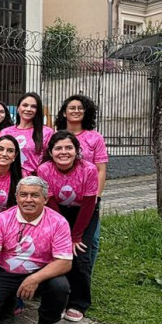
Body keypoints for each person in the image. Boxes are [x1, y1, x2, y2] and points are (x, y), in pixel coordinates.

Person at [0, 176, 73, 324]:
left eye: (35, 195)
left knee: (60, 286)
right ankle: (9, 304)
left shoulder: (58, 222)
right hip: (7, 270)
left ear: (45, 199)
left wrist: (34, 278)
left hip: (41, 271)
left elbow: (65, 262)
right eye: (23, 195)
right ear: (16, 197)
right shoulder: (2, 219)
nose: (28, 200)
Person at [37, 131, 99, 323]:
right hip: (57, 211)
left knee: (79, 255)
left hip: (84, 213)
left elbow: (90, 203)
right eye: (58, 148)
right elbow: (52, 201)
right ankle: (60, 294)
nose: (64, 152)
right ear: (51, 151)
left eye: (69, 148)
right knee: (57, 252)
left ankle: (79, 302)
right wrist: (64, 232)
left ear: (77, 150)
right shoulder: (44, 169)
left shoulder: (88, 169)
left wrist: (76, 236)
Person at [54, 94, 108, 269]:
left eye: (80, 108)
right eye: (72, 108)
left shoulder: (95, 138)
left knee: (90, 239)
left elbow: (100, 169)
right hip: (59, 199)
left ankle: (86, 277)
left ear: (86, 112)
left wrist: (97, 196)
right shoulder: (56, 137)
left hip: (88, 198)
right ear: (64, 113)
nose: (76, 111)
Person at [1, 93, 54, 174]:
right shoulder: (6, 132)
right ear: (18, 108)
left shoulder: (47, 132)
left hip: (35, 180)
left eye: (33, 106)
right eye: (25, 105)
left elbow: (50, 160)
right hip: (10, 178)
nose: (28, 109)